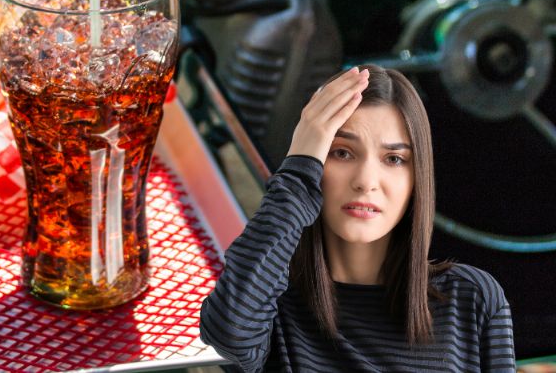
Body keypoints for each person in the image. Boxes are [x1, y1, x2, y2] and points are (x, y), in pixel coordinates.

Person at [200, 65, 515, 372]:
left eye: (394, 159)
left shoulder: (474, 299)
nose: (366, 181)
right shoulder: (269, 305)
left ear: (417, 179)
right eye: (342, 153)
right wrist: (298, 169)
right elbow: (229, 332)